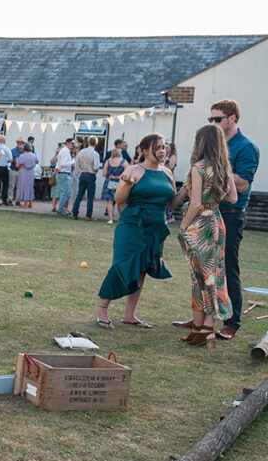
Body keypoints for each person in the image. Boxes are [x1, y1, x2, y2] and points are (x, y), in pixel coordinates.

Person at [96, 133, 184, 330]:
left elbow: (171, 203)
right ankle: (103, 310)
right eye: (158, 147)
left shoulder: (168, 173)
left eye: (164, 147)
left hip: (155, 228)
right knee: (122, 265)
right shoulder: (134, 170)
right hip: (132, 226)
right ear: (144, 150)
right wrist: (127, 185)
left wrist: (185, 190)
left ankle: (130, 315)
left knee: (142, 269)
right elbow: (119, 200)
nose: (162, 151)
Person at [175, 124, 238, 347]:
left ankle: (205, 330)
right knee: (213, 276)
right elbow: (233, 199)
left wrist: (184, 227)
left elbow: (195, 204)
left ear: (200, 143)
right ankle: (203, 328)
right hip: (216, 222)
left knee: (199, 277)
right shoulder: (224, 169)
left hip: (200, 224)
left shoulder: (199, 167)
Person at [206, 99, 260, 342]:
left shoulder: (246, 147)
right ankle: (204, 317)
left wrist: (219, 164)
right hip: (208, 213)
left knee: (228, 270)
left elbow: (242, 183)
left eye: (218, 119)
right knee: (204, 269)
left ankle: (232, 322)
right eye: (211, 120)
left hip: (231, 215)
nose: (214, 124)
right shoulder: (213, 143)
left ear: (233, 119)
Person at [72, 135, 101, 220]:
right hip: (90, 175)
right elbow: (96, 167)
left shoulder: (81, 152)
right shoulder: (95, 154)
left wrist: (78, 172)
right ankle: (88, 215)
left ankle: (75, 213)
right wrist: (94, 172)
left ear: (88, 143)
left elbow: (76, 164)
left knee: (79, 195)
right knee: (90, 197)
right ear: (95, 144)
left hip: (83, 174)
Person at [102, 147, 126, 223]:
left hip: (110, 181)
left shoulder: (108, 161)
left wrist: (112, 175)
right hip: (120, 183)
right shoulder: (124, 162)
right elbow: (126, 174)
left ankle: (110, 219)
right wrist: (118, 176)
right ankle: (121, 219)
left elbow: (104, 174)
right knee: (121, 201)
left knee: (110, 201)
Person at [53, 138, 74, 215]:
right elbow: (63, 163)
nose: (73, 145)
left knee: (65, 192)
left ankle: (61, 209)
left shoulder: (65, 151)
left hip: (64, 173)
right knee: (65, 192)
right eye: (72, 143)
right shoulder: (65, 151)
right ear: (67, 143)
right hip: (64, 173)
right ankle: (61, 209)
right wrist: (73, 161)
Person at [0, 134, 13, 206]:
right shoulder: (7, 149)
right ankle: (4, 199)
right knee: (5, 185)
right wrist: (5, 160)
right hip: (4, 168)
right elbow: (10, 160)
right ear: (4, 141)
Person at [9, 137, 25, 205]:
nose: (20, 144)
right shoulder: (12, 150)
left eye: (22, 143)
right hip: (13, 169)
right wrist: (14, 160)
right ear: (17, 143)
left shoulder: (25, 152)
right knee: (11, 185)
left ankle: (17, 200)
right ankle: (9, 199)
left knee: (19, 186)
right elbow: (9, 160)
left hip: (21, 171)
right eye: (19, 142)